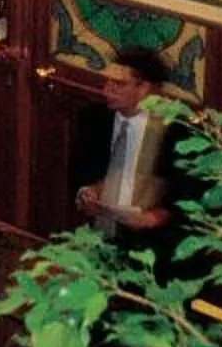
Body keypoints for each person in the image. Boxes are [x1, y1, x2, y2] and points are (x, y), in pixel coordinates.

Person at [69, 46, 187, 260]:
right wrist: (87, 192)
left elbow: (188, 194)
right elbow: (78, 172)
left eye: (119, 85)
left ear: (144, 89)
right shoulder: (94, 119)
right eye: (107, 82)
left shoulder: (174, 132)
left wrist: (155, 217)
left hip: (152, 246)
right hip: (98, 235)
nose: (107, 90)